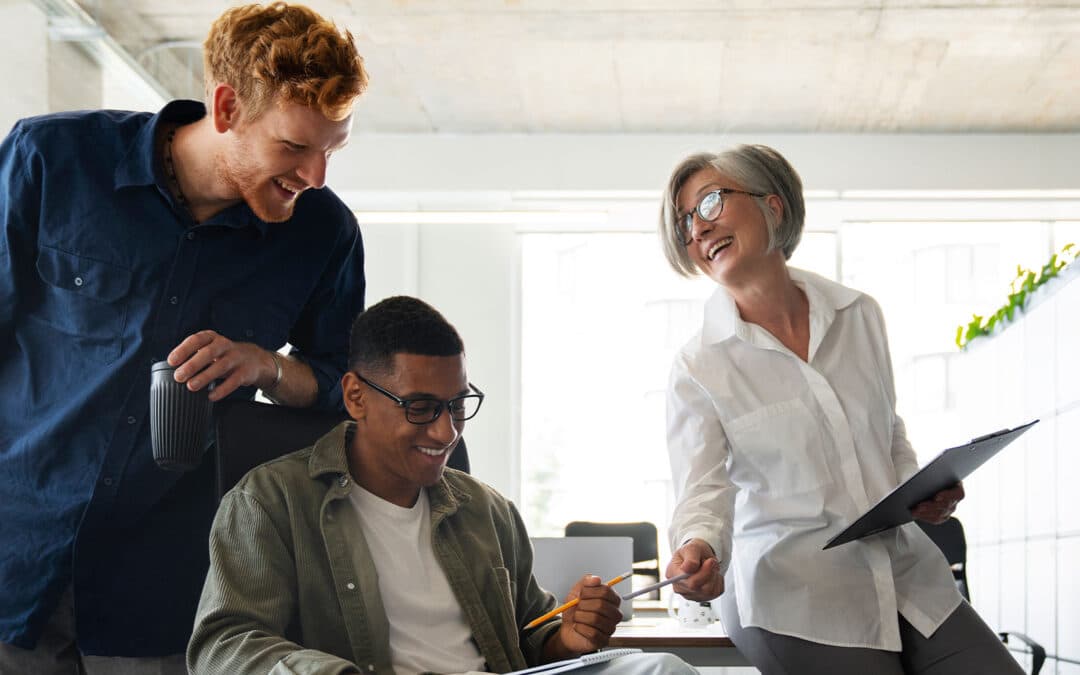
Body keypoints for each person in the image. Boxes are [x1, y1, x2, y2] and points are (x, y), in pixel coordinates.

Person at [0, 3, 369, 672]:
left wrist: (267, 368)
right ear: (227, 107)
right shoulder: (51, 159)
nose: (315, 176)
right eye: (294, 147)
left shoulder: (323, 234)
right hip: (13, 550)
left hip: (164, 586)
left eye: (331, 148)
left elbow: (353, 391)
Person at [657, 146, 1025, 675]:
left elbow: (888, 432)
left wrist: (922, 493)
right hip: (792, 590)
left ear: (773, 206)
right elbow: (704, 490)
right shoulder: (698, 365)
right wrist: (699, 546)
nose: (697, 229)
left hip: (903, 569)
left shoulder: (859, 316)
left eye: (710, 203)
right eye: (685, 220)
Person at [187, 296, 698, 675]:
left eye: (457, 406)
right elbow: (225, 645)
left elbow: (534, 634)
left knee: (664, 669)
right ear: (356, 396)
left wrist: (570, 636)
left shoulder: (486, 509)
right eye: (421, 407)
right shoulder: (270, 502)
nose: (446, 431)